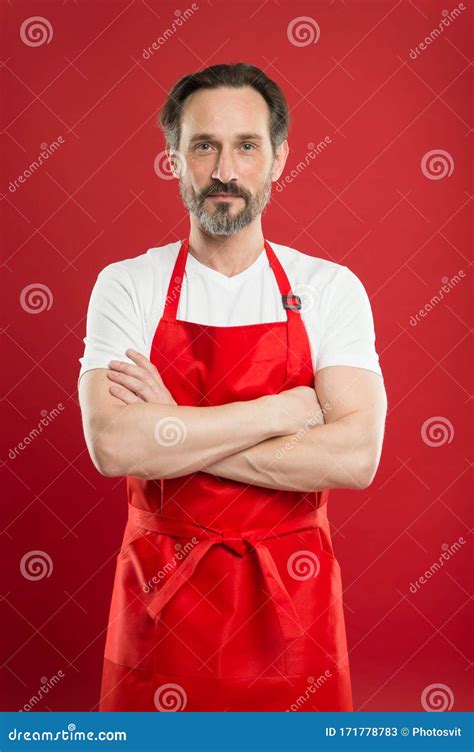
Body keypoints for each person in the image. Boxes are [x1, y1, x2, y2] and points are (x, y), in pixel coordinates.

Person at [78, 62, 387, 712]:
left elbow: (355, 457)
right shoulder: (127, 285)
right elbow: (112, 445)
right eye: (204, 145)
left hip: (292, 611)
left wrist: (173, 425)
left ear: (278, 159)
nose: (225, 169)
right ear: (174, 159)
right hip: (160, 606)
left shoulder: (332, 289)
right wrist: (285, 410)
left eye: (246, 145)